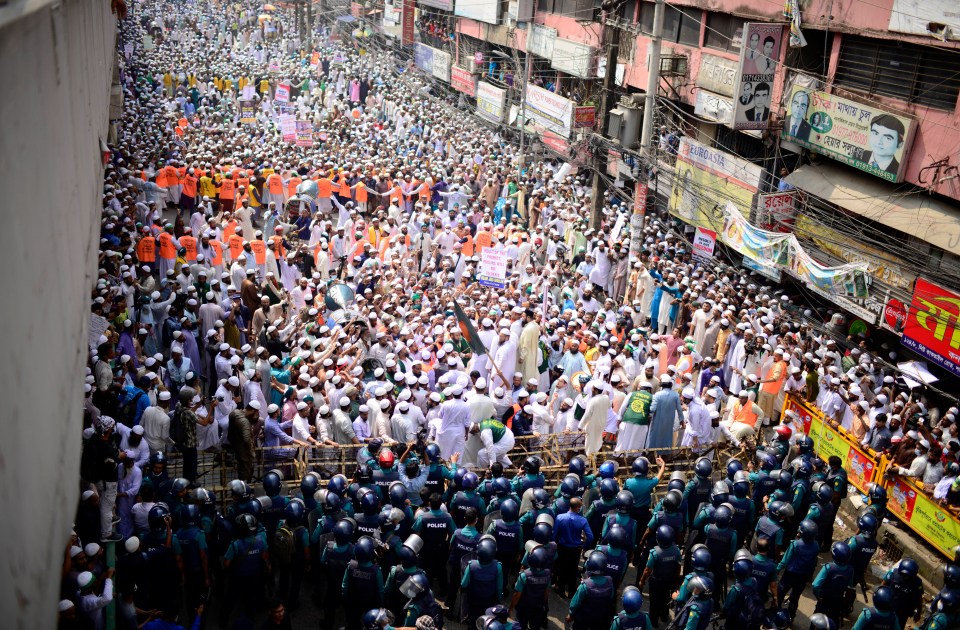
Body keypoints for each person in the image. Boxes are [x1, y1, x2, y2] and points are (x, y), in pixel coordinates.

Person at [554, 497, 594, 598]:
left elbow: (554, 535)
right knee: (573, 570)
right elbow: (590, 537)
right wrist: (584, 546)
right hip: (575, 549)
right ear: (578, 508)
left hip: (562, 548)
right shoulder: (582, 520)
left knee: (561, 568)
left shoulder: (559, 517)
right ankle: (571, 592)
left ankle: (561, 590)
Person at [567, 551, 616, 630]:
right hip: (600, 618)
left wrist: (571, 614)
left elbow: (575, 604)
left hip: (583, 619)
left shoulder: (584, 586)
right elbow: (611, 597)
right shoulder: (610, 582)